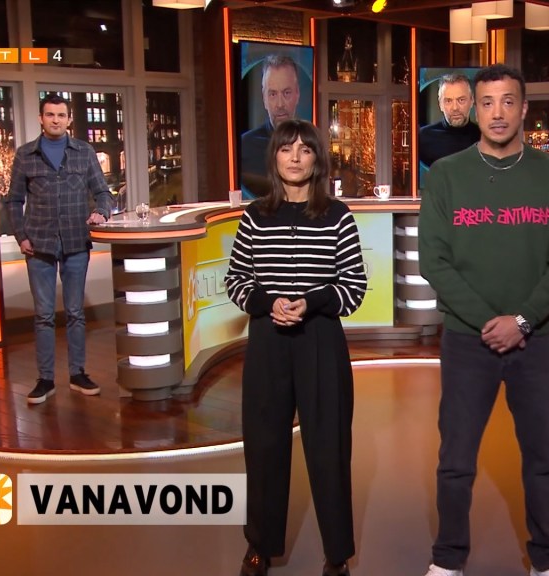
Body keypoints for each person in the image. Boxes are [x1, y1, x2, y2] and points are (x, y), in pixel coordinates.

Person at [418, 63, 549, 576]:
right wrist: (489, 322)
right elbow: (433, 261)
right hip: (467, 343)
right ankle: (447, 559)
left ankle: (547, 561)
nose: (497, 113)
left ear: (524, 108)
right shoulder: (446, 176)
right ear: (474, 110)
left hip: (537, 342)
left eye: (508, 101)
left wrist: (524, 321)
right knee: (456, 460)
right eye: (487, 102)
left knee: (542, 459)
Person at [224, 119, 367, 576]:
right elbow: (236, 279)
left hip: (320, 340)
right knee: (264, 446)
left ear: (316, 160)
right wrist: (268, 303)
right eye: (287, 149)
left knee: (329, 448)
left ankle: (337, 554)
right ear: (275, 157)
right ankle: (260, 545)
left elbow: (354, 288)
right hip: (268, 341)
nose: (295, 157)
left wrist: (312, 302)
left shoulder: (337, 216)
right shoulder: (255, 216)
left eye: (305, 150)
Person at [4, 94, 113, 404]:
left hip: (76, 241)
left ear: (69, 119)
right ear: (41, 118)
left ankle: (78, 374)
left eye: (61, 115)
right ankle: (45, 380)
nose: (55, 119)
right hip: (38, 245)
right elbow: (13, 200)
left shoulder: (84, 152)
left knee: (76, 313)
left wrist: (101, 212)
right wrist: (21, 236)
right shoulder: (26, 155)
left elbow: (103, 193)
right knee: (43, 315)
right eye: (50, 114)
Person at [240, 54, 301, 199]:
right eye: (273, 94)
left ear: (297, 94)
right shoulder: (244, 146)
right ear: (264, 98)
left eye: (286, 93)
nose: (280, 104)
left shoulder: (311, 145)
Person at [418, 73, 480, 168]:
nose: (455, 108)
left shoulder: (485, 137)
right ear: (440, 104)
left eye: (461, 100)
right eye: (448, 101)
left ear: (471, 101)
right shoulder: (422, 137)